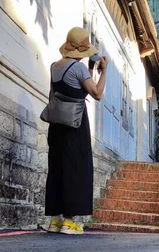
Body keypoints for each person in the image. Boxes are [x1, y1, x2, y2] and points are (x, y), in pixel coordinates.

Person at [45, 27, 107, 234]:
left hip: (56, 124)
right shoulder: (78, 69)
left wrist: (89, 68)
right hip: (75, 124)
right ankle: (69, 222)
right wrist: (103, 71)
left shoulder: (54, 66)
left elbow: (72, 88)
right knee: (75, 169)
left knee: (57, 168)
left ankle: (55, 220)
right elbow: (96, 93)